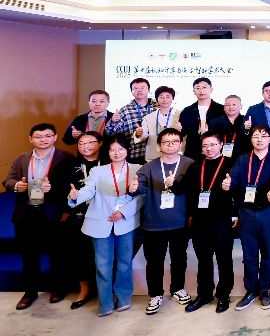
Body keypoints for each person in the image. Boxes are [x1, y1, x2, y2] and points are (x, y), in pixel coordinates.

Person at [67, 136, 143, 317]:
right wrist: (75, 196)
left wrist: (123, 212)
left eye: (120, 149)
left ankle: (124, 298)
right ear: (107, 152)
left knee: (124, 262)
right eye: (112, 149)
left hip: (126, 221)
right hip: (101, 221)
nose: (117, 153)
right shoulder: (97, 171)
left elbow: (142, 196)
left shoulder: (138, 169)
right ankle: (105, 302)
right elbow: (88, 190)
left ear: (127, 150)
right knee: (102, 264)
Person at [4, 123, 75, 310]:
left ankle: (57, 288)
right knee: (28, 255)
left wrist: (54, 189)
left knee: (57, 253)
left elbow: (74, 185)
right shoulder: (21, 158)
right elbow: (8, 180)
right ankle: (29, 292)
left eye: (47, 135)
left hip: (53, 213)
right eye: (38, 136)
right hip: (26, 213)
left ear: (55, 137)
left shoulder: (67, 158)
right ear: (31, 139)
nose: (43, 139)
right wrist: (17, 185)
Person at [128, 127, 194, 314]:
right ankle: (155, 294)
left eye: (174, 141)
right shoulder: (149, 166)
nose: (170, 145)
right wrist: (133, 188)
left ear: (180, 144)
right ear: (159, 146)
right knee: (154, 262)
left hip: (180, 222)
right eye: (166, 142)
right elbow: (138, 186)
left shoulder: (189, 164)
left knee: (179, 258)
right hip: (154, 223)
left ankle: (177, 289)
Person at [223, 124, 270, 311]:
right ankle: (250, 290)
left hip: (268, 211)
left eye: (263, 136)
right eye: (255, 136)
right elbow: (233, 178)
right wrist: (228, 184)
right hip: (246, 212)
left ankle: (265, 290)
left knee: (267, 254)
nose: (259, 139)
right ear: (250, 139)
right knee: (249, 255)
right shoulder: (243, 159)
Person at [181, 132, 236, 313]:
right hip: (200, 220)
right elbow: (187, 191)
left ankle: (223, 295)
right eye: (205, 146)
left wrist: (235, 213)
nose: (209, 149)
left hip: (222, 219)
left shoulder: (230, 164)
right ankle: (204, 294)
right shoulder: (195, 166)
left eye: (212, 145)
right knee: (203, 259)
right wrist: (171, 184)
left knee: (224, 259)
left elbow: (239, 190)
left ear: (221, 145)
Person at [55, 131, 107, 309]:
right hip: (77, 215)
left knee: (102, 253)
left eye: (90, 142)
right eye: (81, 144)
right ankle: (84, 289)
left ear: (100, 143)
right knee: (79, 253)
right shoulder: (69, 163)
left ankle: (105, 289)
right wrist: (65, 207)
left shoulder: (108, 162)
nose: (85, 147)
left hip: (104, 215)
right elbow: (60, 188)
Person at [105, 77, 157, 164]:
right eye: (135, 88)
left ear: (149, 89)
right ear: (131, 91)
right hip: (135, 154)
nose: (139, 90)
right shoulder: (125, 110)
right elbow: (110, 133)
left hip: (156, 154)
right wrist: (113, 121)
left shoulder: (158, 107)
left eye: (142, 88)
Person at [178, 77, 224, 163]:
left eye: (204, 87)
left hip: (215, 152)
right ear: (193, 91)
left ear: (211, 89)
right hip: (193, 152)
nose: (201, 90)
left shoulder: (221, 110)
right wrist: (179, 130)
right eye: (198, 88)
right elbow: (183, 133)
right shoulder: (187, 110)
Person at [137, 86, 182, 162]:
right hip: (154, 156)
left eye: (168, 97)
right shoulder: (148, 117)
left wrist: (181, 130)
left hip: (176, 155)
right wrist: (139, 133)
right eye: (161, 97)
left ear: (172, 98)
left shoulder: (181, 115)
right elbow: (144, 136)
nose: (165, 100)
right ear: (157, 99)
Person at [208, 95, 249, 161]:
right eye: (227, 105)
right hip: (219, 158)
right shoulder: (214, 122)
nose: (231, 107)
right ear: (224, 107)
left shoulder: (247, 121)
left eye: (234, 104)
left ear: (241, 106)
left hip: (242, 157)